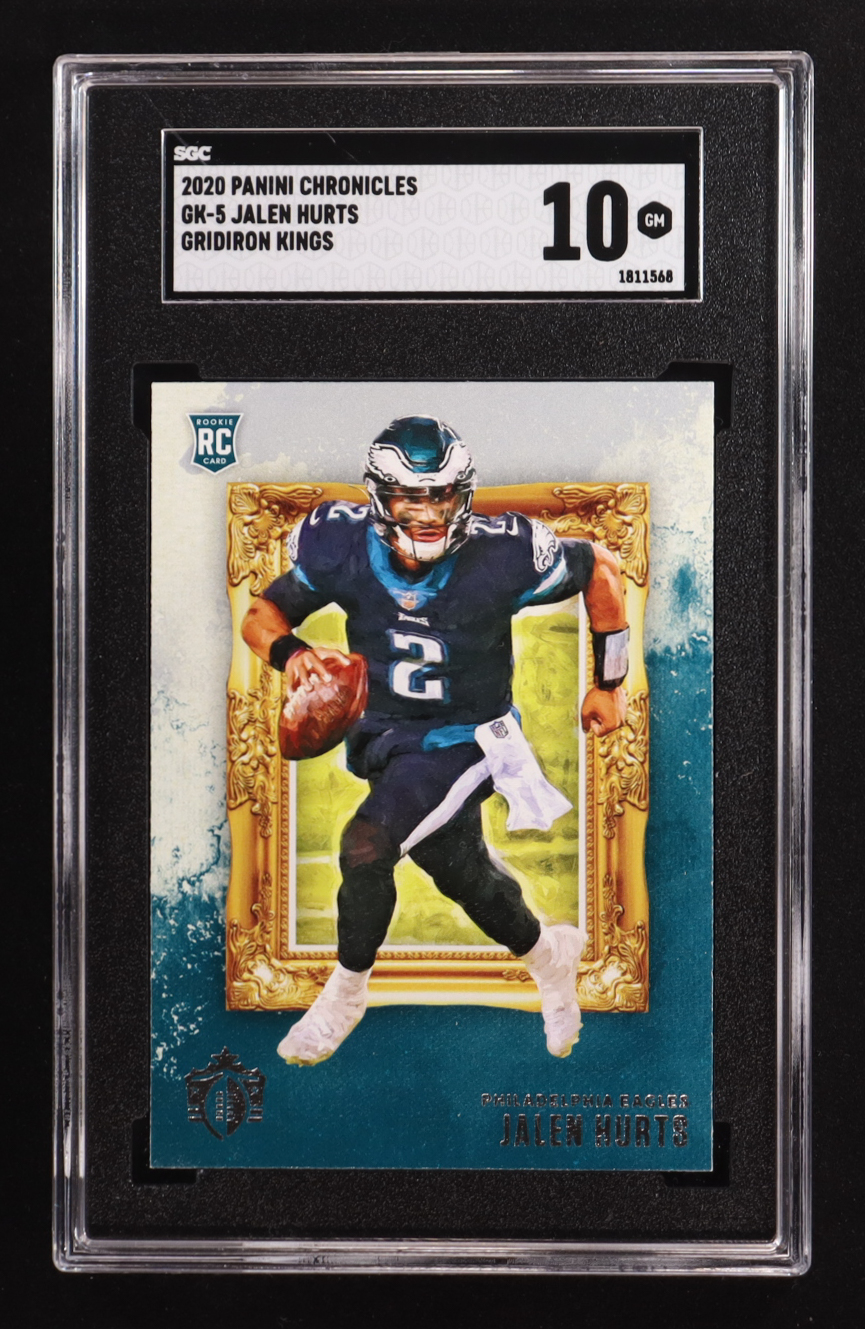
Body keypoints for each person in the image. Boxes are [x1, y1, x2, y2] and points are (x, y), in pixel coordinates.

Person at [241, 416, 629, 1065]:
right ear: (379, 496)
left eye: (442, 496)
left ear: (462, 494)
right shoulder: (340, 543)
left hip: (466, 738)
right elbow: (262, 614)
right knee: (464, 877)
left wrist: (609, 684)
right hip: (384, 740)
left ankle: (344, 995)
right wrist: (293, 654)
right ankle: (549, 957)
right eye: (410, 498)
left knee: (366, 846)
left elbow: (602, 571)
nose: (427, 514)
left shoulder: (502, 552)